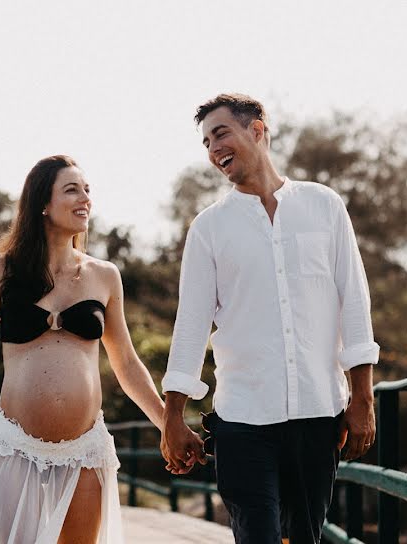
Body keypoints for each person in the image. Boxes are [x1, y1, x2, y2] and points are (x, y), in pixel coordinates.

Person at [160, 94, 380, 543]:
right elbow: (191, 325)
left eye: (220, 133)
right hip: (242, 419)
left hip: (319, 414)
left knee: (305, 536)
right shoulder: (209, 228)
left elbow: (354, 303)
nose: (212, 148)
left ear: (257, 130)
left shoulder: (325, 206)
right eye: (205, 142)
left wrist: (364, 398)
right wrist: (172, 418)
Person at [0, 155, 165, 544]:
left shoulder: (105, 275)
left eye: (87, 190)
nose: (85, 198)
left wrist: (168, 424)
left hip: (85, 451)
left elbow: (128, 364)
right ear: (43, 204)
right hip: (14, 446)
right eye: (72, 189)